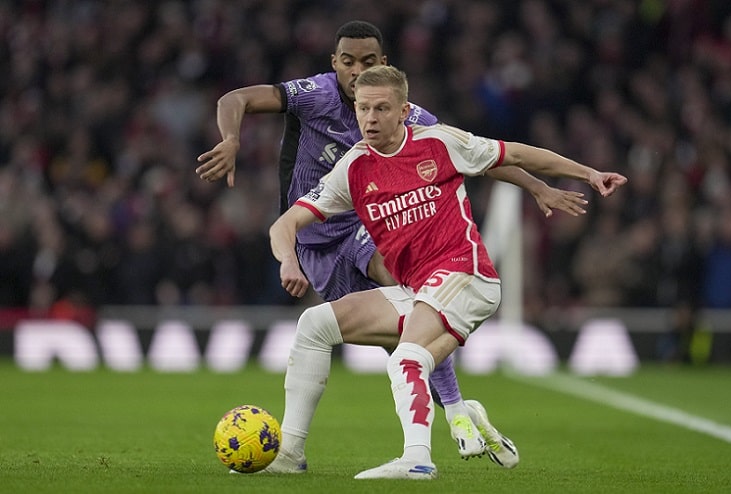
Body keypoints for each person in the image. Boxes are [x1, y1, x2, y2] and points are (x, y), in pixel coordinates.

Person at [197, 21, 587, 472]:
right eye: (348, 62)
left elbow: (479, 154)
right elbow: (236, 99)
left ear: (384, 66)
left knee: (407, 297)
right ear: (334, 63)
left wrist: (537, 186)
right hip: (316, 242)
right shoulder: (315, 96)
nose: (356, 71)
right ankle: (455, 413)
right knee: (366, 336)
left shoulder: (410, 117)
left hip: (370, 227)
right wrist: (232, 139)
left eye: (367, 62)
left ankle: (440, 429)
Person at [269, 65, 627, 480]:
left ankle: (417, 460)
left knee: (406, 358)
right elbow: (286, 224)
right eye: (363, 109)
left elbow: (516, 153)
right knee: (314, 325)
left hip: (466, 274)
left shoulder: (439, 143)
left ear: (404, 111)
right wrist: (289, 259)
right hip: (418, 288)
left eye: (381, 108)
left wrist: (588, 173)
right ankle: (291, 452)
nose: (370, 118)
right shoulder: (353, 169)